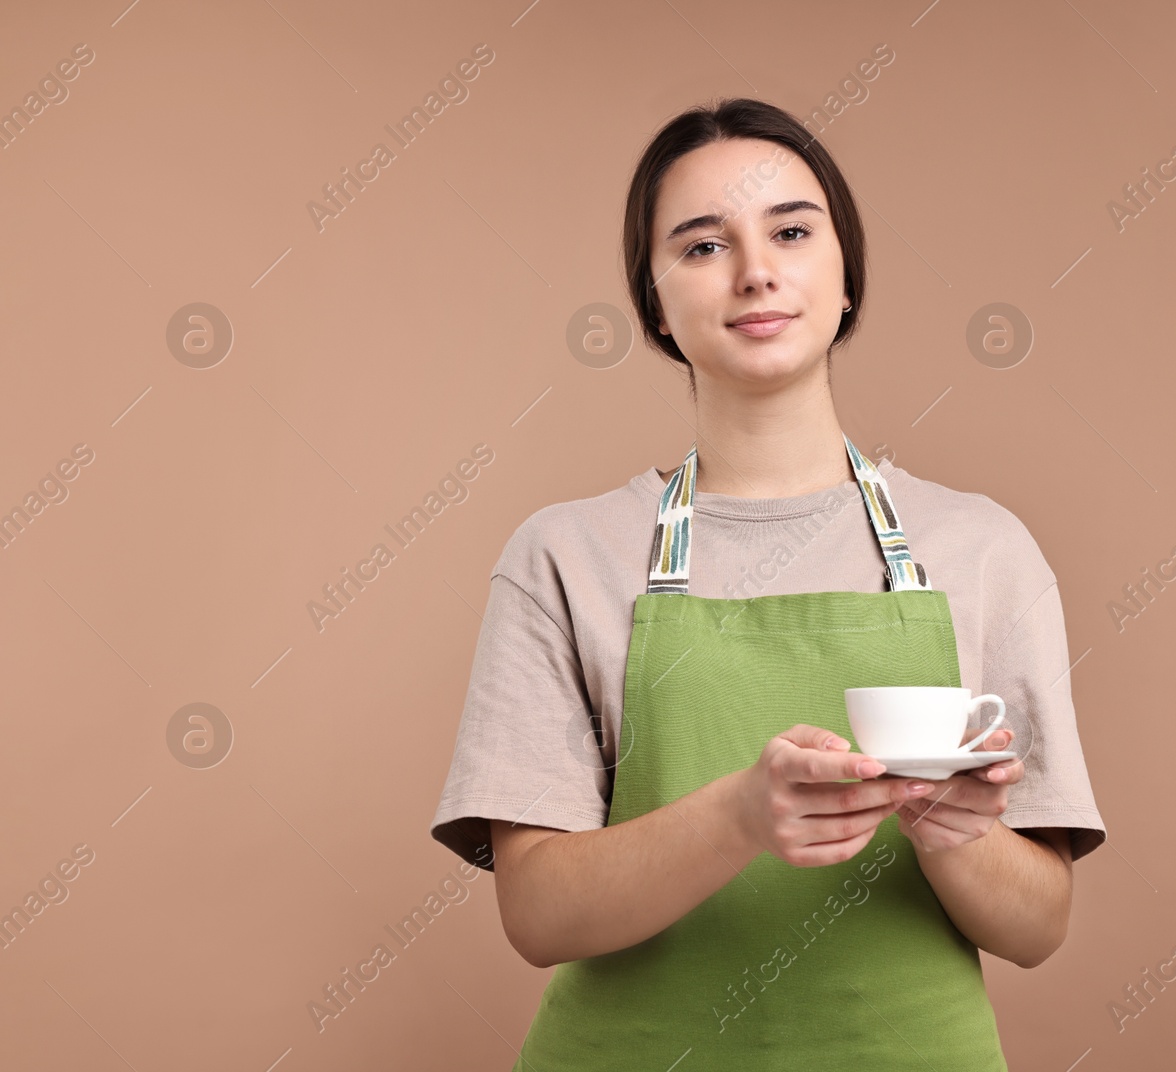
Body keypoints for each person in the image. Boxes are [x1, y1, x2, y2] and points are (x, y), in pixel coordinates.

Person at [430, 96, 1107, 1069]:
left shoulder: (983, 553)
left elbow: (1038, 923)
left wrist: (952, 831)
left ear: (844, 277)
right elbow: (536, 910)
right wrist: (741, 813)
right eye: (702, 247)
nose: (755, 271)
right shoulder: (568, 556)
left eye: (791, 230)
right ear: (656, 305)